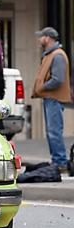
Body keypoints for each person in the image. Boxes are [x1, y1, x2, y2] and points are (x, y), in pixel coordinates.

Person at [32, 27, 70, 172]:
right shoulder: (51, 54)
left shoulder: (57, 55)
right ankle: (57, 161)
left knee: (54, 132)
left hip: (54, 98)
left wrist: (41, 88)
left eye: (41, 36)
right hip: (50, 98)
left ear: (47, 38)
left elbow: (58, 79)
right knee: (52, 131)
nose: (39, 39)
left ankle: (60, 162)